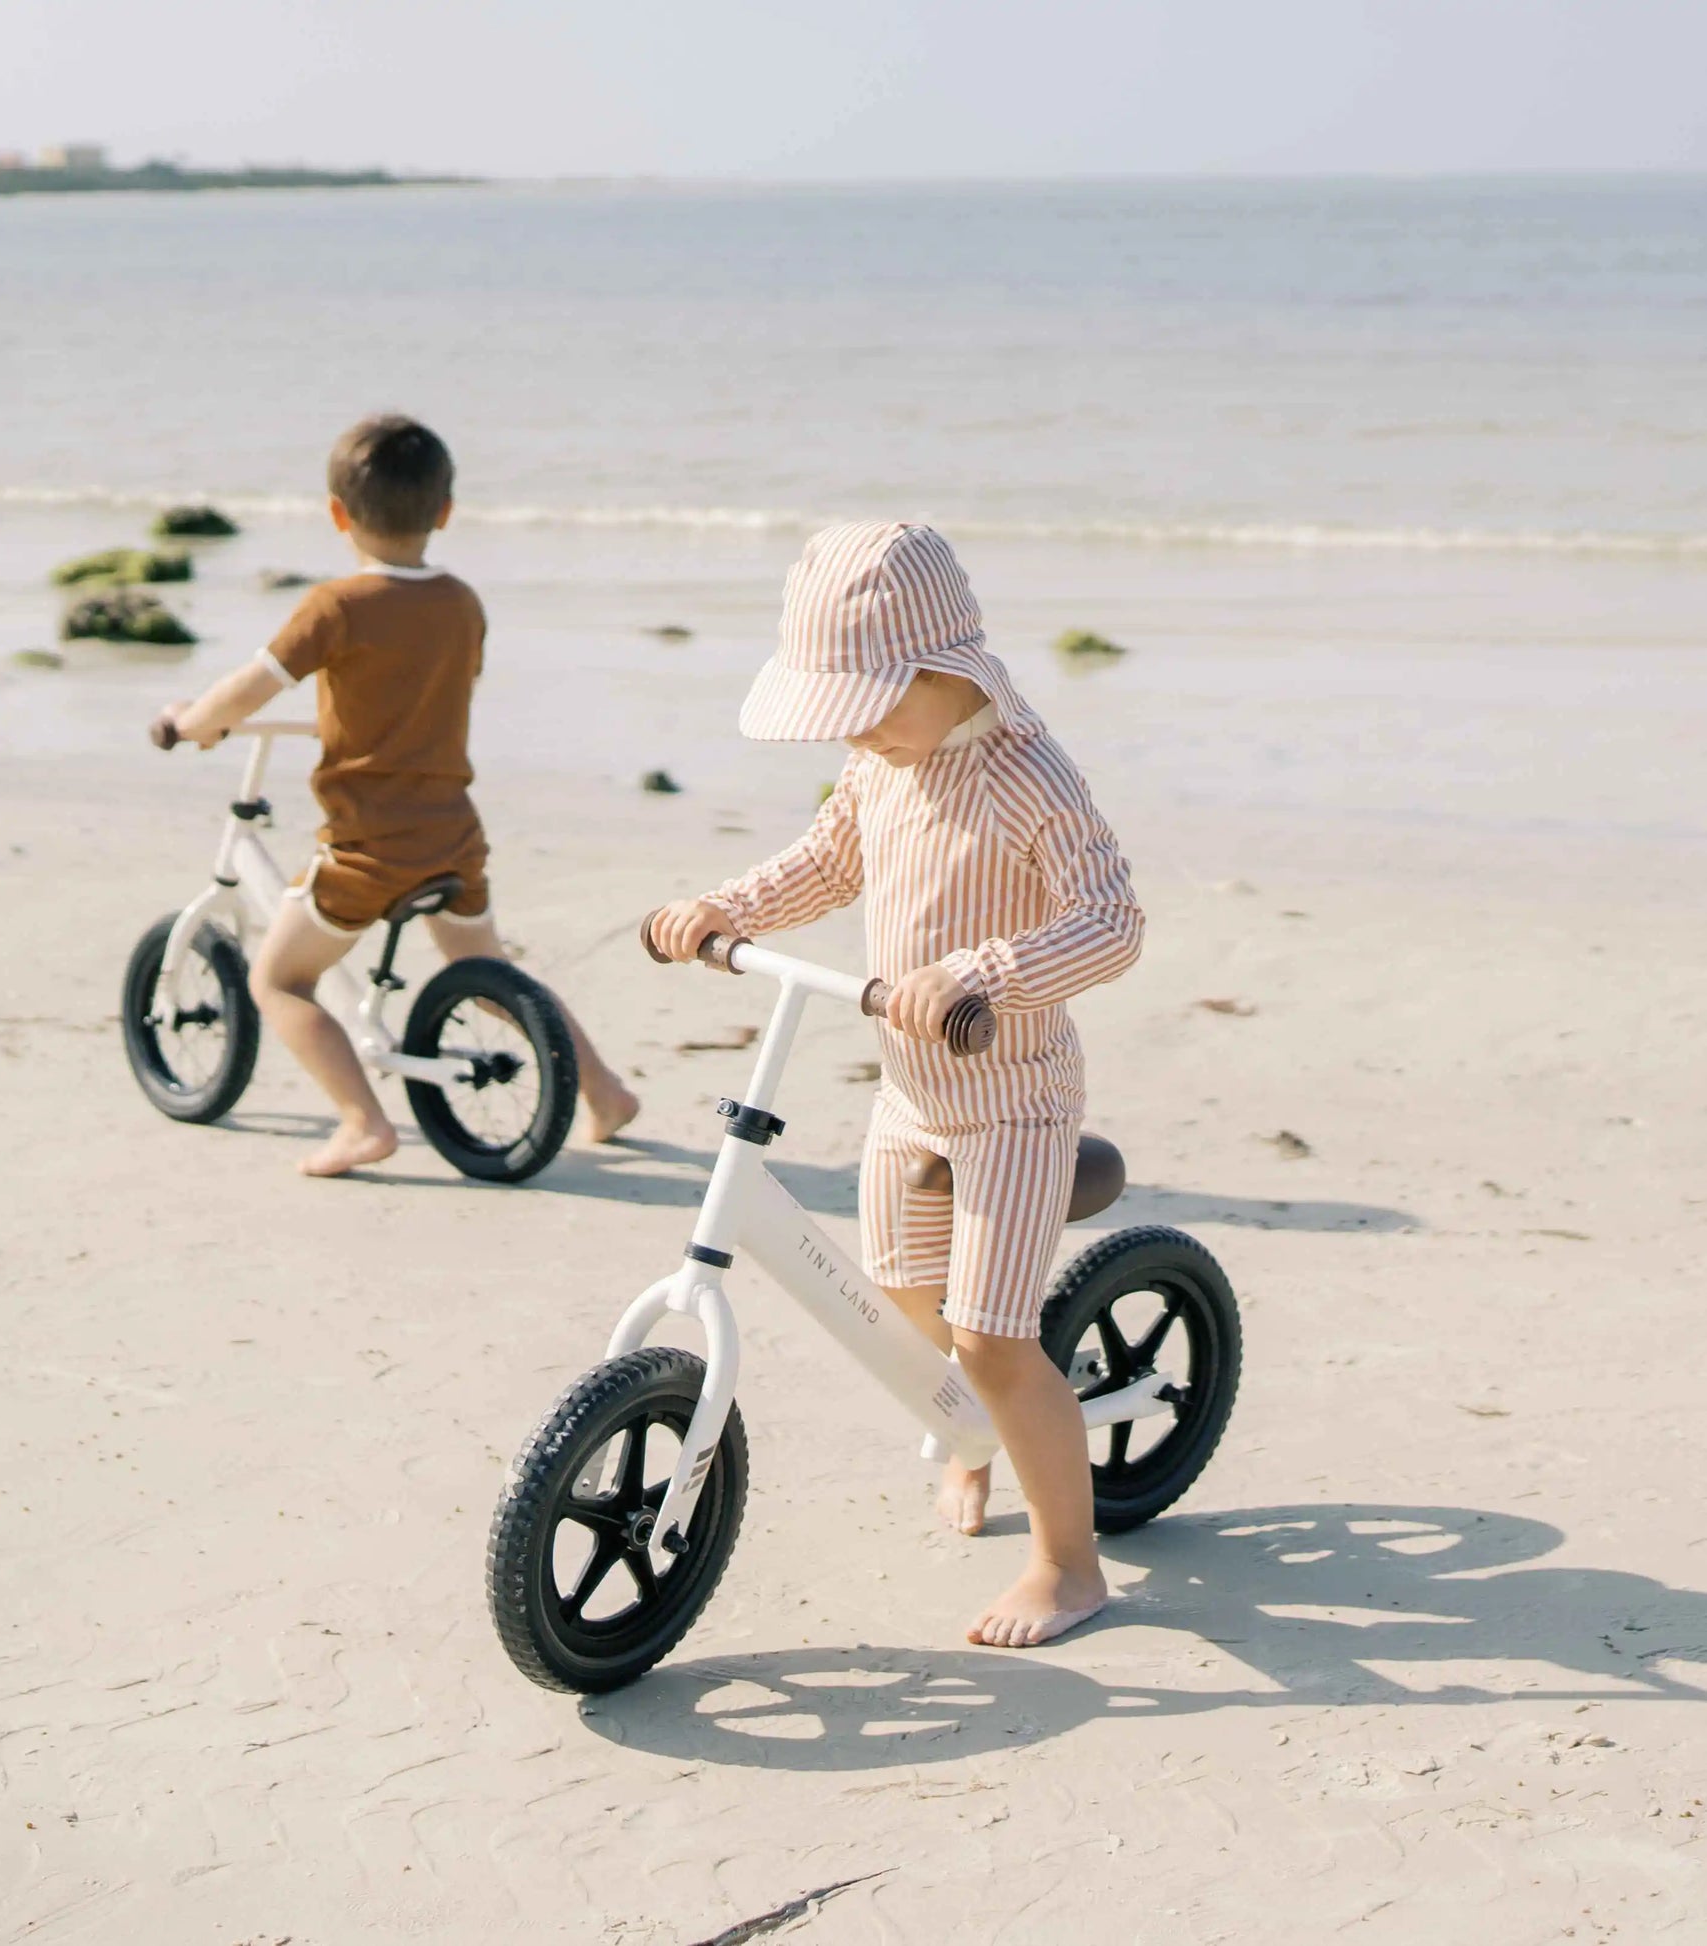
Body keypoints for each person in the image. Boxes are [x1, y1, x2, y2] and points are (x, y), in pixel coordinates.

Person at [648, 521, 1143, 1648]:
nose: (857, 727)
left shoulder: (1027, 777)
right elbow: (828, 859)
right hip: (909, 1091)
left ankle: (1069, 1564)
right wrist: (730, 908)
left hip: (1011, 1091)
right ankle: (974, 1429)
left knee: (990, 1339)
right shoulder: (881, 762)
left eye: (872, 699)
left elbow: (1110, 922)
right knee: (904, 1299)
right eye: (843, 709)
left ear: (946, 668)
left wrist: (983, 970)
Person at [154, 413, 639, 1176]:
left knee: (279, 980)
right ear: (444, 512)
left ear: (337, 514)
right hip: (451, 836)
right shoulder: (461, 604)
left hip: (368, 847)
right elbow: (425, 692)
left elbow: (243, 693)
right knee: (492, 980)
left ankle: (361, 1122)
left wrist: (189, 723)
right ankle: (605, 1092)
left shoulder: (334, 608)